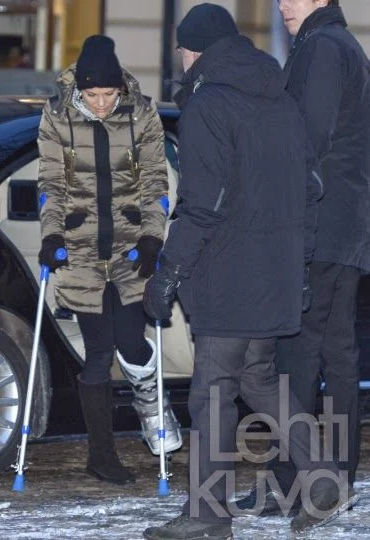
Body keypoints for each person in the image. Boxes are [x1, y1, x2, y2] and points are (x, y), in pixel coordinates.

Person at [141, 3, 356, 539]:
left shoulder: (209, 105)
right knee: (259, 379)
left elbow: (202, 203)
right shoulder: (279, 98)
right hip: (277, 274)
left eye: (184, 52)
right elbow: (311, 188)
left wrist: (167, 272)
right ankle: (323, 474)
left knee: (212, 389)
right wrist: (299, 264)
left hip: (228, 275)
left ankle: (207, 516)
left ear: (193, 51)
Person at [237, 0, 370, 516]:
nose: (282, 5)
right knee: (337, 356)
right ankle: (334, 476)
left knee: (292, 358)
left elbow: (305, 143)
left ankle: (294, 480)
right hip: (344, 226)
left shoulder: (320, 48)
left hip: (318, 227)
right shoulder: (343, 46)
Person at [37, 35, 182, 485]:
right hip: (80, 252)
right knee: (99, 353)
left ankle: (151, 403)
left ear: (120, 87)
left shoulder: (141, 114)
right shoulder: (57, 115)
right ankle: (101, 455)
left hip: (130, 249)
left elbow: (156, 184)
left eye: (108, 94)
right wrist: (52, 235)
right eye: (92, 95)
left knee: (132, 344)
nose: (100, 104)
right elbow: (51, 183)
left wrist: (152, 240)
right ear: (79, 90)